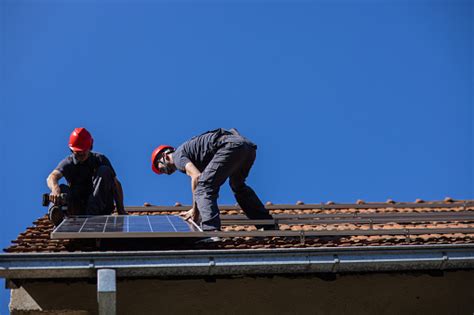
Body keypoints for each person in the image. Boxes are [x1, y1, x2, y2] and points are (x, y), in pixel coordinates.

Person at [150, 128, 276, 232]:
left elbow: (196, 177)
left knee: (203, 188)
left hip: (229, 146)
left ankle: (211, 231)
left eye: (161, 169)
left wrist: (195, 210)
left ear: (164, 156)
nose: (164, 173)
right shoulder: (191, 153)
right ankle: (268, 224)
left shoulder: (177, 157)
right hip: (247, 147)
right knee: (237, 186)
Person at [46, 127, 126, 225]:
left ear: (90, 147)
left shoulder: (100, 159)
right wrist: (55, 189)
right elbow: (52, 177)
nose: (81, 154)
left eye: (83, 151)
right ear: (71, 150)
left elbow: (116, 184)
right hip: (78, 208)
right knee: (61, 188)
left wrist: (121, 211)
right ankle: (56, 213)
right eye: (78, 152)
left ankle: (92, 214)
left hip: (99, 208)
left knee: (104, 170)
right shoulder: (68, 163)